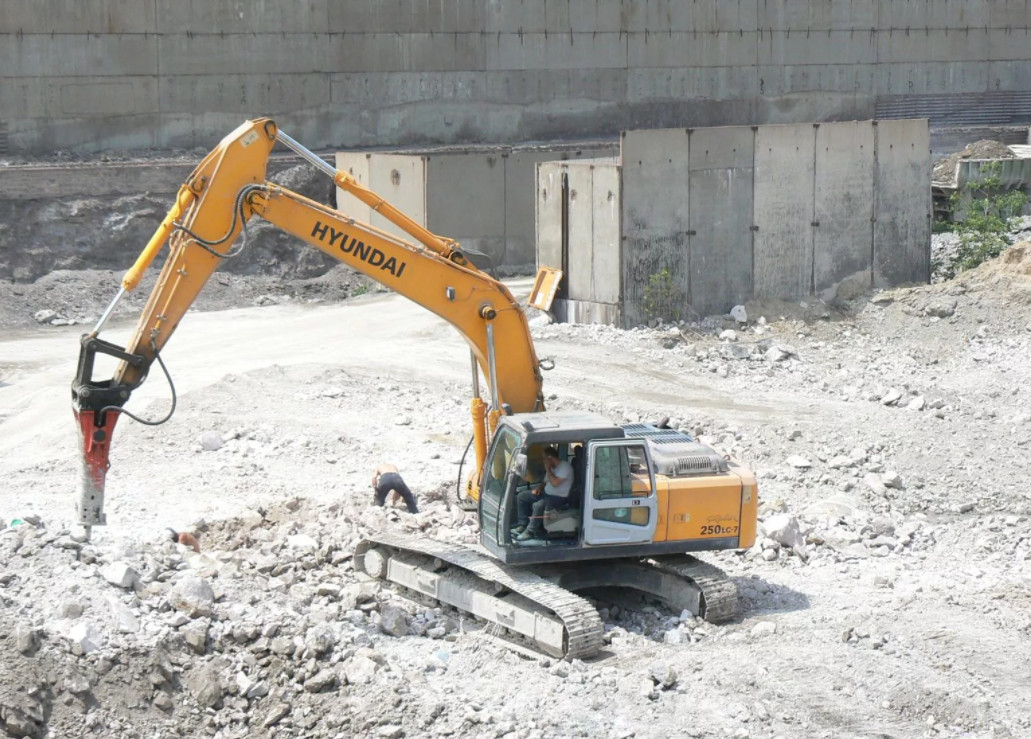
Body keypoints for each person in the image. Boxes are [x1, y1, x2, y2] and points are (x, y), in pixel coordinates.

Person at [512, 447, 572, 541]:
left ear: (550, 458)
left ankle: (530, 531)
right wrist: (539, 488)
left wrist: (548, 469)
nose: (543, 461)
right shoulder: (552, 467)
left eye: (544, 459)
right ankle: (522, 524)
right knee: (522, 496)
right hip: (546, 493)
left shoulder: (565, 467)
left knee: (538, 505)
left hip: (559, 497)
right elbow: (545, 482)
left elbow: (555, 483)